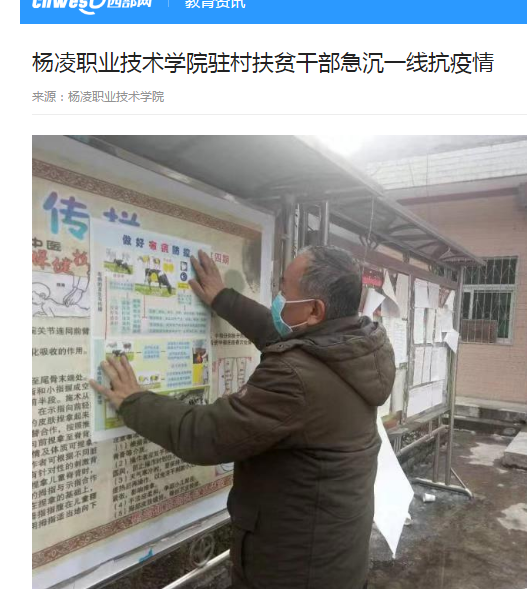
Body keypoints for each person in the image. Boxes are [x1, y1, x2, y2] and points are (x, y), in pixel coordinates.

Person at [90, 246, 396, 589]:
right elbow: (283, 335)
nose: (277, 298)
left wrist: (134, 402)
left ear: (314, 310)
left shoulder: (295, 379)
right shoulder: (357, 348)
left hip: (293, 573)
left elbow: (206, 435)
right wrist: (224, 298)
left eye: (283, 290)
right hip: (335, 559)